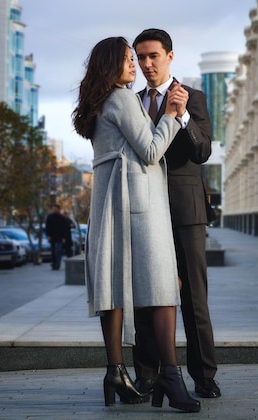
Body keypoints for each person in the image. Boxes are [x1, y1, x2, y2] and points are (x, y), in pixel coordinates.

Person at [71, 36, 200, 413]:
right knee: (163, 289)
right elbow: (150, 151)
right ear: (112, 64)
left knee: (114, 288)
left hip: (112, 203)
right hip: (140, 205)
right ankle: (171, 377)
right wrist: (173, 116)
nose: (135, 65)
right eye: (129, 59)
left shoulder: (97, 103)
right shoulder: (123, 97)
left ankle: (116, 371)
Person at [132, 28, 221, 400]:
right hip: (145, 209)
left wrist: (182, 115)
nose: (147, 64)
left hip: (186, 210)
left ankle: (204, 376)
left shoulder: (193, 97)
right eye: (140, 58)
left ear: (170, 55)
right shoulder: (131, 102)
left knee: (194, 297)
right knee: (146, 295)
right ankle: (148, 374)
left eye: (153, 56)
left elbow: (202, 152)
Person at [44, 204, 68, 270]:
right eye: (53, 208)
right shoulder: (50, 217)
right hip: (52, 237)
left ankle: (58, 263)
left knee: (59, 250)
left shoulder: (61, 218)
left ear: (58, 209)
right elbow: (47, 227)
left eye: (55, 208)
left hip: (60, 237)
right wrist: (48, 235)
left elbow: (64, 228)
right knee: (53, 251)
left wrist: (64, 237)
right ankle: (54, 263)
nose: (54, 210)